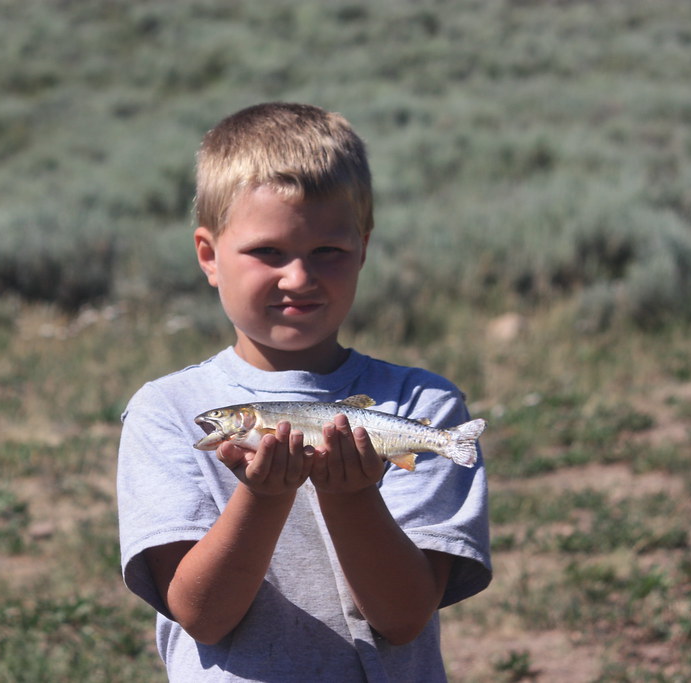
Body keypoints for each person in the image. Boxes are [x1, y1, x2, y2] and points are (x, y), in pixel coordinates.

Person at [117, 102, 491, 682]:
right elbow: (202, 617)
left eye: (327, 253)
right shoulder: (165, 411)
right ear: (209, 256)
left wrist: (352, 495)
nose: (298, 277)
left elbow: (403, 618)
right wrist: (263, 497)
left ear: (363, 249)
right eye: (267, 252)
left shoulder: (425, 405)